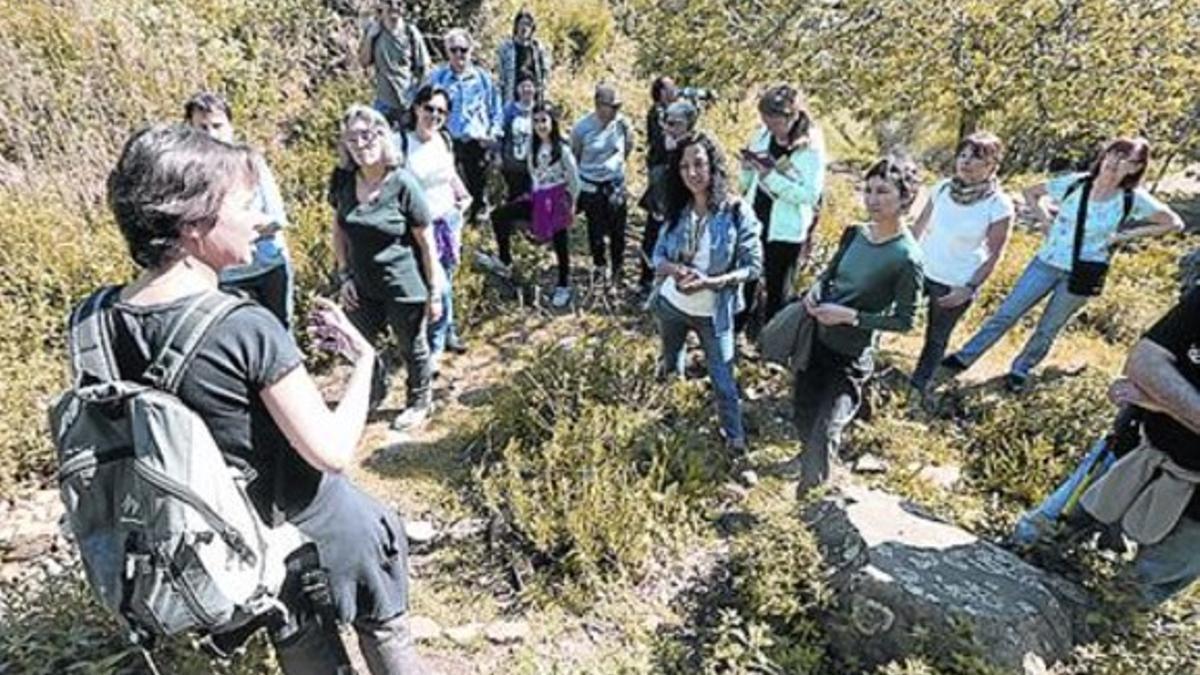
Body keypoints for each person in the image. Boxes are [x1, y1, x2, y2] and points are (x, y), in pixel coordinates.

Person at [99, 123, 427, 673]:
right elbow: (331, 450)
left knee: (303, 654)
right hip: (318, 528)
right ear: (193, 222)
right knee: (386, 633)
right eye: (246, 205)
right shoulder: (243, 326)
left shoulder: (98, 319)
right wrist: (365, 362)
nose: (263, 219)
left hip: (232, 548)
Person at [942, 137, 1185, 392]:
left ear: (1135, 168)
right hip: (1046, 262)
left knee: (1049, 327)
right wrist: (1045, 221)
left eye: (1125, 160)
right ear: (1103, 156)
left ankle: (1020, 370)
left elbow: (1173, 222)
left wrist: (1123, 236)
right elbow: (1031, 193)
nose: (1114, 163)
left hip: (1083, 272)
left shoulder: (1132, 198)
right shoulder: (1077, 183)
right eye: (1112, 154)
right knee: (1007, 313)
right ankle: (964, 357)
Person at [786, 157, 924, 493]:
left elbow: (906, 321)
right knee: (803, 413)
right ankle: (809, 466)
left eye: (883, 192)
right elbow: (829, 273)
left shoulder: (907, 258)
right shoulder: (855, 234)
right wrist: (816, 291)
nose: (873, 199)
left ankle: (810, 501)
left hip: (850, 356)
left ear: (905, 198)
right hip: (817, 341)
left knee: (827, 429)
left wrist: (851, 317)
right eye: (869, 190)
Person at [1074, 288, 1200, 606]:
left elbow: (1152, 374)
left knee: (1132, 597)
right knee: (1052, 540)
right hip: (1131, 455)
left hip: (1196, 515)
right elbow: (1143, 362)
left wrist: (1164, 403)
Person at [329, 105, 444, 431]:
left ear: (382, 136)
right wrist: (343, 276)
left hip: (402, 284)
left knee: (411, 346)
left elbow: (426, 242)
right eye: (352, 138)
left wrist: (434, 291)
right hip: (362, 284)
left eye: (367, 135)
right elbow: (338, 230)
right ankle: (373, 392)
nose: (360, 144)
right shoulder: (343, 180)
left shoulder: (403, 183)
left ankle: (419, 400)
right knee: (362, 346)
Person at [651, 132, 763, 451]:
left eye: (699, 164)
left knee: (724, 381)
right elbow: (657, 256)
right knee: (671, 365)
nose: (692, 173)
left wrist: (711, 282)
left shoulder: (737, 211)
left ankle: (735, 441)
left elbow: (753, 266)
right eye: (684, 166)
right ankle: (670, 422)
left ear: (714, 167)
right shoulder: (679, 208)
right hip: (673, 304)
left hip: (714, 312)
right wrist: (675, 270)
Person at [907, 132, 1014, 394]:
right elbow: (918, 227)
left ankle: (917, 389)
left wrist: (969, 288)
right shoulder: (942, 188)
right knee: (885, 312)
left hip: (955, 282)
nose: (966, 162)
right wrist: (901, 261)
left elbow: (994, 254)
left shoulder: (998, 204)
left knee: (935, 338)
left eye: (976, 158)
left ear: (992, 165)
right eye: (963, 155)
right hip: (921, 269)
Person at [185, 91, 294, 329]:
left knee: (281, 334)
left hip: (269, 265)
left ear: (230, 126)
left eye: (217, 126)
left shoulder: (251, 164)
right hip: (225, 277)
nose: (211, 134)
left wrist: (235, 233)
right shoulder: (188, 177)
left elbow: (277, 219)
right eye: (202, 127)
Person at [737, 85, 826, 333]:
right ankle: (736, 333)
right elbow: (746, 184)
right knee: (746, 279)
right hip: (756, 219)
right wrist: (746, 168)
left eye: (775, 123)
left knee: (778, 290)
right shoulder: (762, 135)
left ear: (792, 116)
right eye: (766, 122)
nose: (770, 128)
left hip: (786, 229)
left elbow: (810, 194)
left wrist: (771, 178)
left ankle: (772, 346)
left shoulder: (811, 147)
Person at [400, 85, 471, 367]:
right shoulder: (400, 143)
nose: (434, 115)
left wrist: (463, 195)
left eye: (441, 111)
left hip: (448, 220)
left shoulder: (442, 140)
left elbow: (449, 173)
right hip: (420, 226)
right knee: (435, 285)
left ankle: (448, 330)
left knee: (447, 280)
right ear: (417, 108)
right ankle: (435, 347)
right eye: (429, 108)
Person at [488, 101, 580, 308]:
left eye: (544, 120)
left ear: (552, 122)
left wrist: (571, 203)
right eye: (536, 121)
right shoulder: (533, 147)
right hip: (539, 197)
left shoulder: (562, 149)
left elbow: (574, 179)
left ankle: (564, 284)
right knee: (500, 216)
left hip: (558, 199)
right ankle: (505, 260)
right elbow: (532, 172)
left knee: (560, 244)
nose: (540, 125)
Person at [428, 28, 503, 225]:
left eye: (464, 49)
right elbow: (425, 106)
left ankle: (476, 224)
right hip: (447, 139)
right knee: (447, 185)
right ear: (447, 52)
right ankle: (451, 222)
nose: (459, 54)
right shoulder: (438, 78)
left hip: (477, 140)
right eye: (454, 50)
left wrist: (493, 134)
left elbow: (496, 108)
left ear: (471, 51)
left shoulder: (482, 78)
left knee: (477, 184)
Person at [571, 83, 634, 290]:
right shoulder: (582, 128)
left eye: (619, 106)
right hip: (591, 187)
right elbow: (575, 156)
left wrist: (615, 168)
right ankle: (599, 267)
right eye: (612, 106)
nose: (617, 110)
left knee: (618, 232)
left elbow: (628, 147)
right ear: (598, 105)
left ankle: (617, 270)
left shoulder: (622, 125)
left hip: (615, 184)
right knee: (596, 232)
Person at [640, 92, 699, 293]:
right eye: (667, 121)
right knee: (650, 245)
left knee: (676, 252)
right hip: (657, 204)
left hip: (681, 210)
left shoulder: (696, 149)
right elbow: (652, 170)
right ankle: (646, 283)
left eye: (675, 123)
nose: (668, 127)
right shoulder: (660, 142)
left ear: (688, 125)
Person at [358, 0, 432, 128]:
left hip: (407, 104)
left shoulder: (410, 32)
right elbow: (364, 62)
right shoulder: (375, 31)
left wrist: (416, 99)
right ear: (381, 5)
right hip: (383, 103)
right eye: (389, 3)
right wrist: (369, 37)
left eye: (399, 3)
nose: (394, 7)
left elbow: (425, 68)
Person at [496, 8, 551, 103]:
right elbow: (501, 76)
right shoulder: (506, 48)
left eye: (528, 24)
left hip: (533, 99)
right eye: (521, 24)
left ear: (532, 28)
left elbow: (544, 74)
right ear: (516, 26)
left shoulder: (537, 48)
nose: (524, 28)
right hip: (512, 97)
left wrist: (542, 96)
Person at [498, 74, 538, 202]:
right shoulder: (509, 110)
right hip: (512, 164)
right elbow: (500, 134)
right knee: (515, 198)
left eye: (530, 86)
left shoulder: (540, 109)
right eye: (523, 86)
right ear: (517, 89)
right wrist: (498, 155)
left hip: (536, 165)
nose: (527, 89)